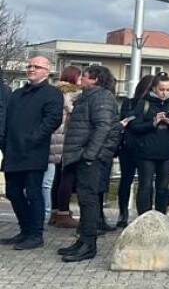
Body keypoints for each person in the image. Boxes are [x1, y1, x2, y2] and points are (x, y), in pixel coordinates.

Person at [56, 66, 120, 262]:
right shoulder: (87, 97)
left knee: (89, 199)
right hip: (81, 155)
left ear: (95, 80)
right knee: (84, 198)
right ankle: (82, 240)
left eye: (84, 76)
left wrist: (90, 155)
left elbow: (103, 127)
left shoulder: (101, 97)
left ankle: (89, 244)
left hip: (90, 157)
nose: (80, 79)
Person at [2, 56, 65, 249]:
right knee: (12, 192)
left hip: (34, 151)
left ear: (47, 71)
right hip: (12, 150)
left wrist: (32, 138)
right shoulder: (17, 94)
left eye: (36, 67)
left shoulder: (52, 93)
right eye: (29, 66)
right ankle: (25, 229)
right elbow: (6, 117)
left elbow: (52, 120)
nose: (32, 69)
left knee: (33, 192)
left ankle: (36, 234)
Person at [125, 72, 169, 215]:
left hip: (167, 153)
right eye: (161, 89)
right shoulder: (144, 103)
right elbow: (134, 127)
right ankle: (144, 218)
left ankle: (161, 218)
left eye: (168, 90)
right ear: (154, 88)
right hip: (146, 153)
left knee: (163, 188)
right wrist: (153, 123)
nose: (164, 93)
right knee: (145, 186)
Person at [113, 74, 155, 228]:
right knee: (128, 180)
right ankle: (124, 213)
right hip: (130, 146)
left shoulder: (153, 104)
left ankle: (142, 213)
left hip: (144, 147)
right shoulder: (129, 103)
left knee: (145, 182)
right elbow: (126, 121)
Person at [48, 65, 82, 229]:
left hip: (54, 137)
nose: (81, 81)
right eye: (80, 77)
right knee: (67, 176)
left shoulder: (55, 91)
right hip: (65, 138)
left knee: (57, 177)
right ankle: (63, 212)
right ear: (74, 78)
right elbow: (73, 112)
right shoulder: (72, 93)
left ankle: (55, 212)